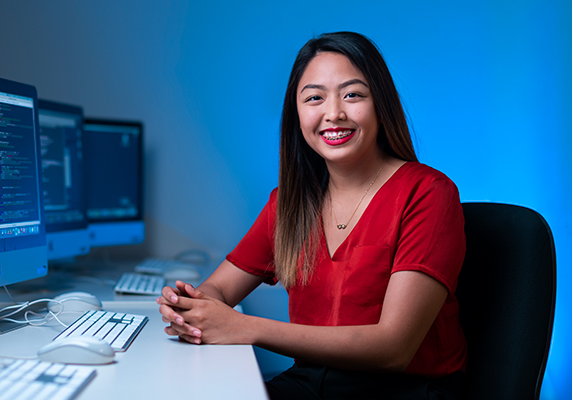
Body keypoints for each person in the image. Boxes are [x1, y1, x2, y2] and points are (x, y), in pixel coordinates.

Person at [157, 32, 466, 399]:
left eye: (352, 95)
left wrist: (245, 327)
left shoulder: (428, 192)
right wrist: (193, 311)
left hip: (405, 391)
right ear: (297, 113)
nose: (333, 113)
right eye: (314, 98)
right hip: (312, 386)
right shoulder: (290, 203)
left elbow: (393, 347)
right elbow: (220, 288)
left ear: (381, 104)